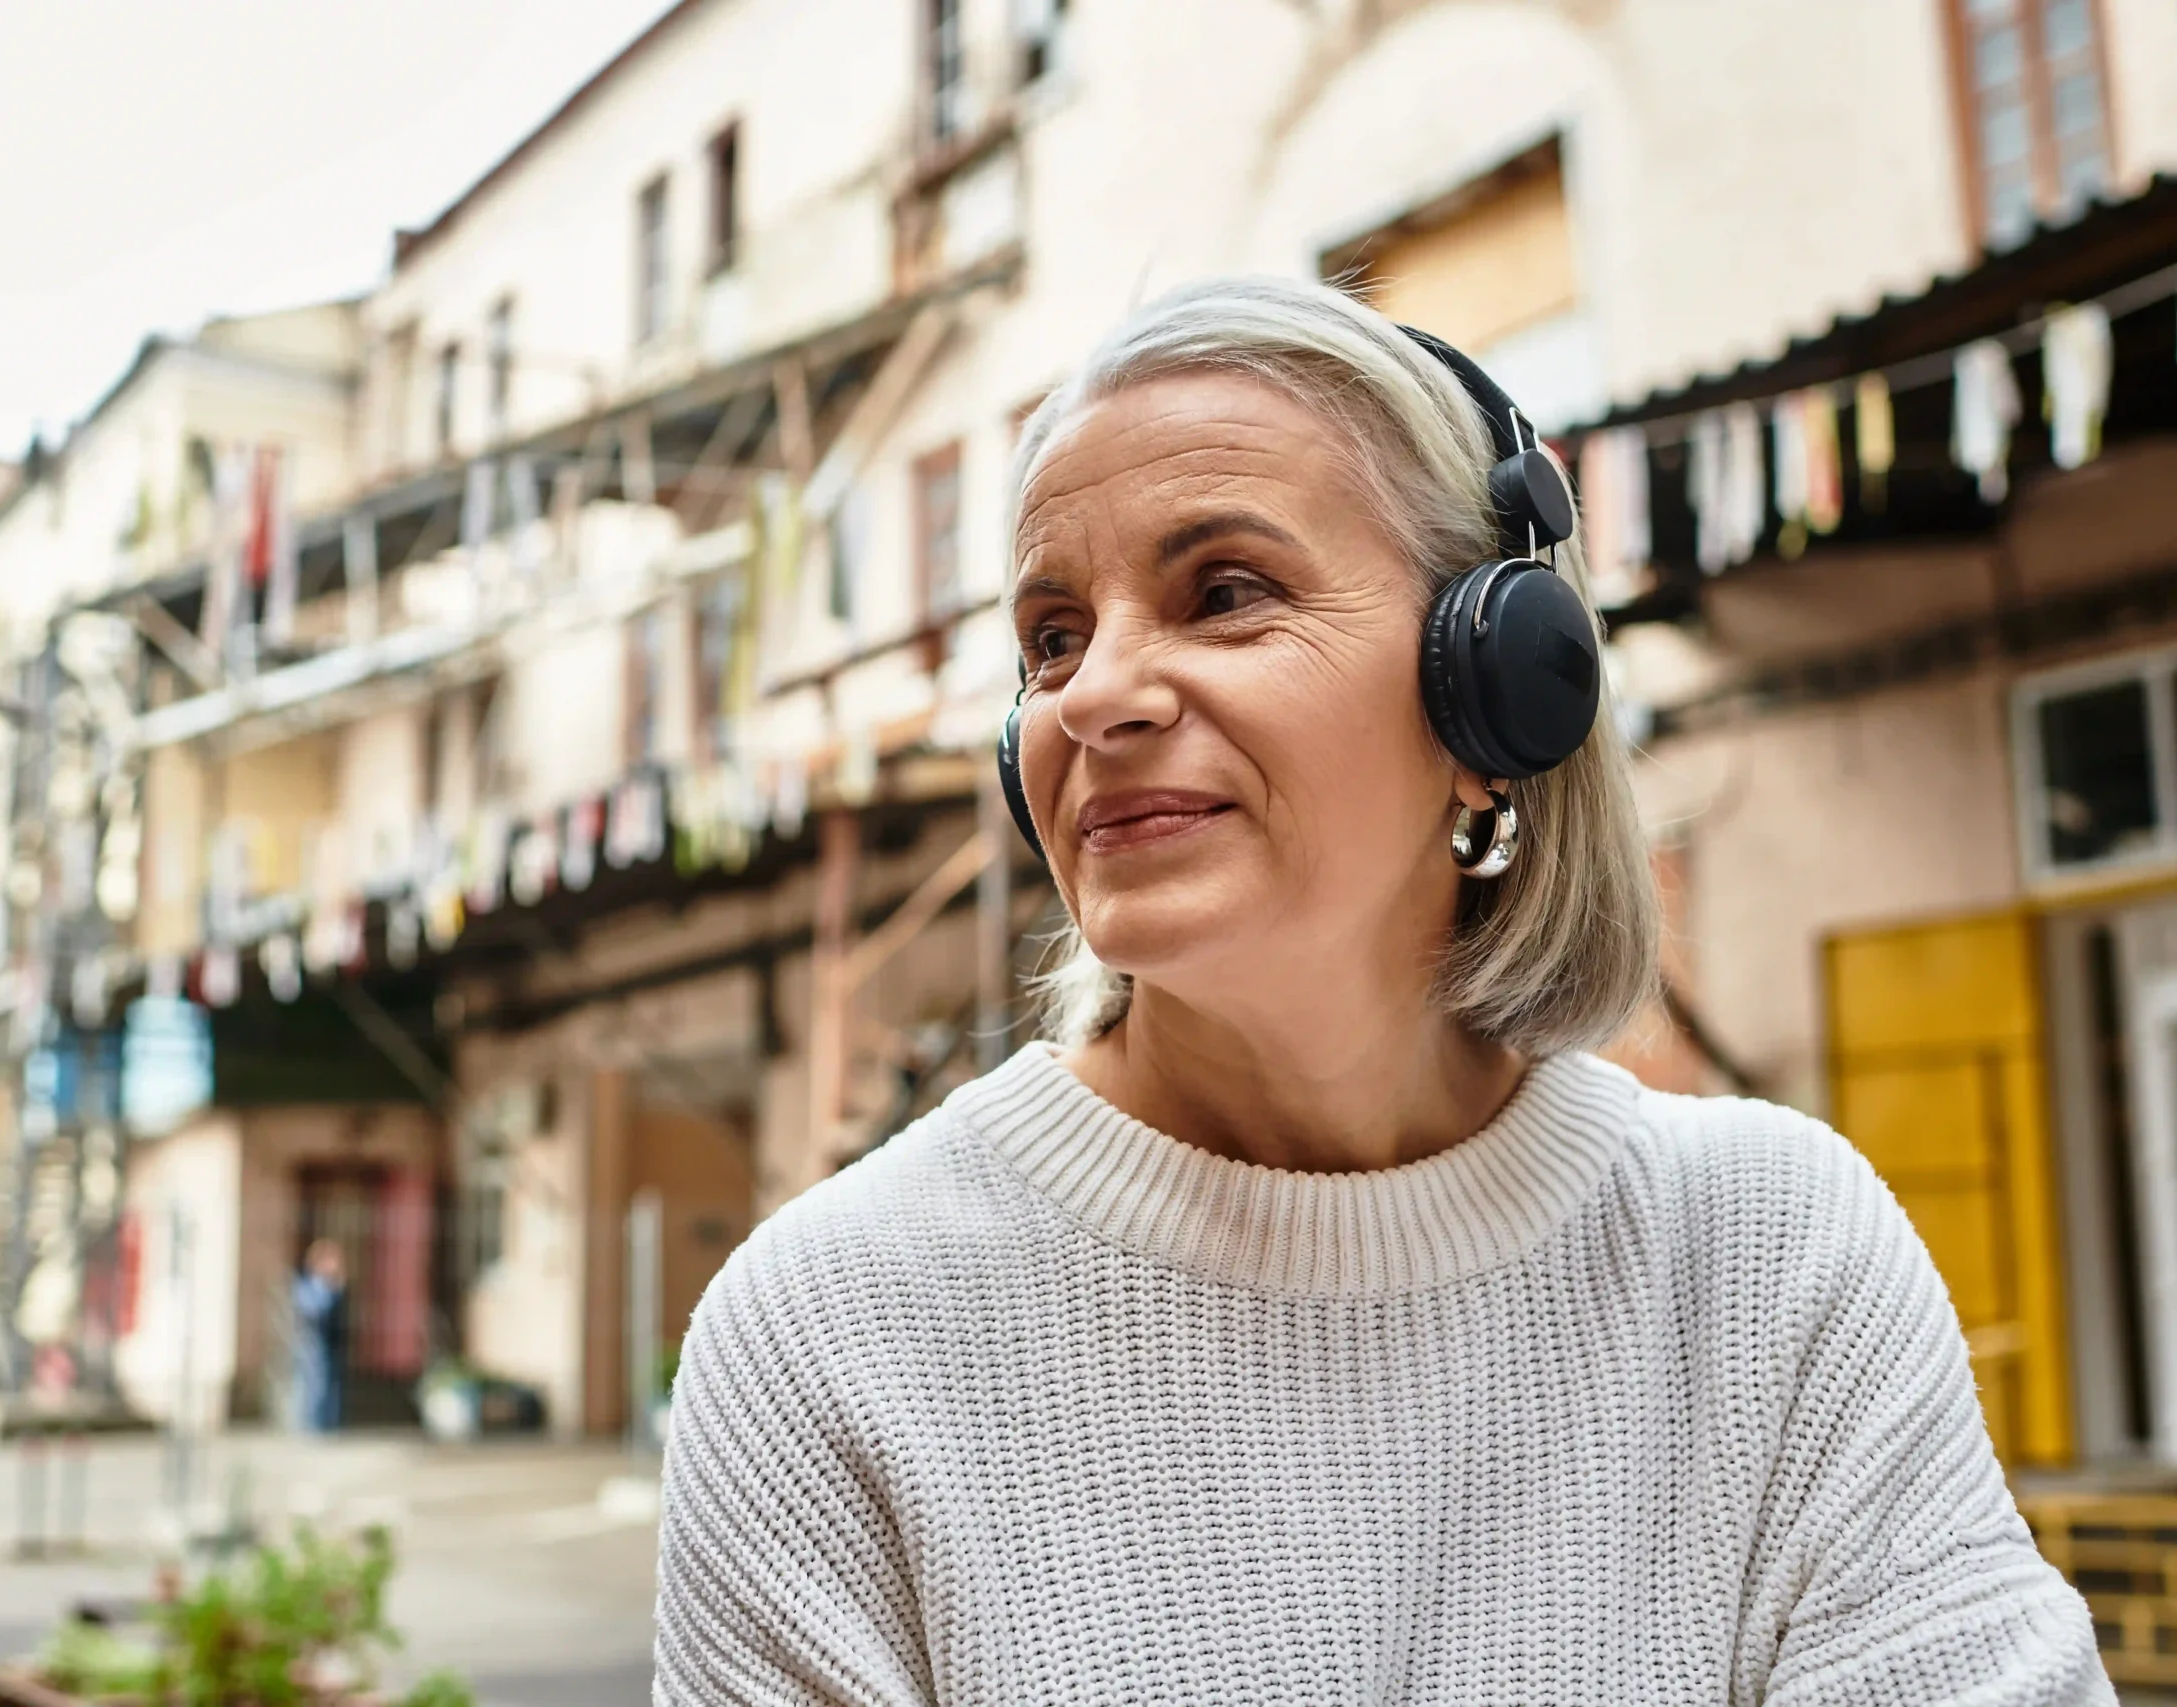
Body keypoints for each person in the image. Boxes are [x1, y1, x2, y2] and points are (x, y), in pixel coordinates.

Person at [652, 278, 2109, 1703]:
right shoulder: (822, 1334)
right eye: (1051, 636)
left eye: (1225, 592)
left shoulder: (1770, 1255)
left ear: (1499, 690)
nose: (1093, 693)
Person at [289, 1238, 347, 1434]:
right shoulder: (307, 1285)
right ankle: (310, 1429)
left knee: (329, 1387)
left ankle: (327, 1427)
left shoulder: (335, 1287)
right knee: (312, 1387)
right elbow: (311, 1310)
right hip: (310, 1345)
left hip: (331, 1343)